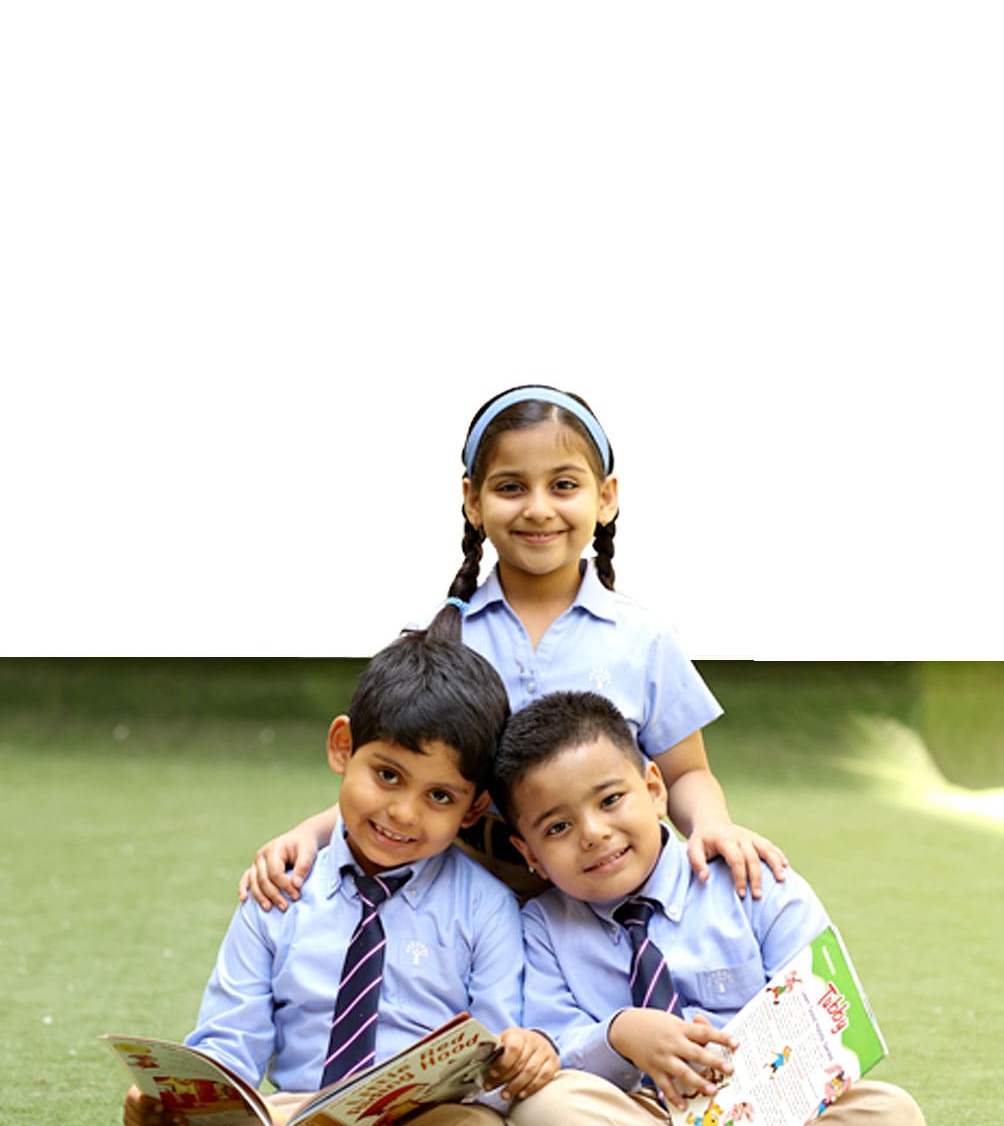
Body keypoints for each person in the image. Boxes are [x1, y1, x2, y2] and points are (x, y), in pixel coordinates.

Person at [64, 633, 564, 1126]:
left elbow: (494, 1051)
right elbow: (228, 1044)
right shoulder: (280, 892)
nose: (403, 812)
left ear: (473, 807)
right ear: (342, 747)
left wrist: (517, 1054)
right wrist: (170, 1109)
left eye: (440, 797)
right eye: (387, 775)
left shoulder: (487, 908)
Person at [240, 384, 788, 910]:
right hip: (460, 913)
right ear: (472, 501)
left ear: (606, 498)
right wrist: (310, 834)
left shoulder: (642, 638)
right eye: (510, 487)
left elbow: (685, 772)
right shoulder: (435, 635)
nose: (538, 508)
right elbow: (399, 779)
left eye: (564, 485)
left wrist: (712, 824)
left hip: (604, 908)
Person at [489, 690, 927, 1126]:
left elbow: (831, 1010)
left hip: (761, 1124)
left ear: (654, 788)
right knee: (541, 1114)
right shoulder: (540, 927)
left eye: (611, 800)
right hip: (635, 1121)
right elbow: (550, 1047)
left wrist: (753, 1078)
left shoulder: (749, 877)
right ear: (529, 855)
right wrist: (620, 1036)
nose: (593, 833)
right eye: (557, 827)